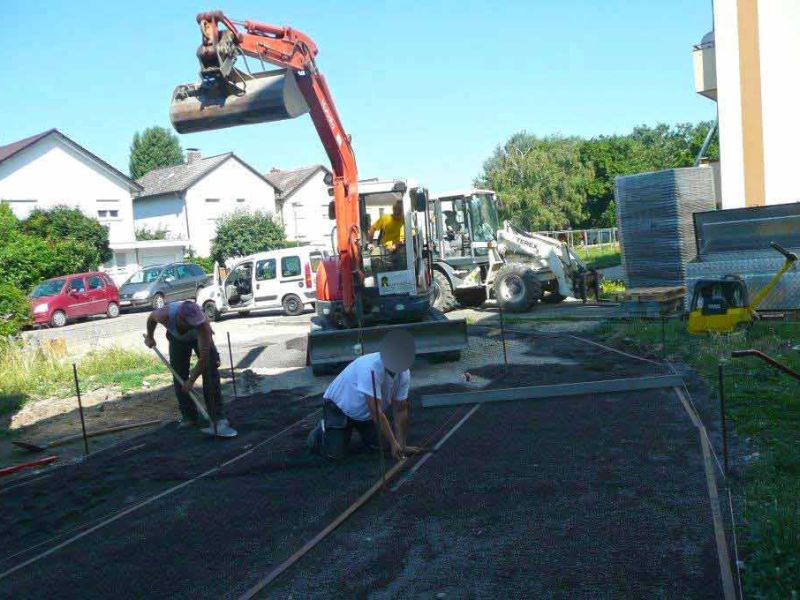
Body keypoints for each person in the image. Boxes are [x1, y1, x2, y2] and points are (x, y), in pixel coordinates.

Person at [307, 330, 422, 461]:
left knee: (384, 446)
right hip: (338, 407)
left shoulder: (403, 373)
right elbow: (376, 412)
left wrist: (401, 444)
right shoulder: (371, 368)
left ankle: (358, 430)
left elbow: (401, 408)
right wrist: (393, 442)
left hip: (365, 414)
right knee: (334, 455)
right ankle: (320, 432)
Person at [143, 300, 237, 437]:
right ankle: (189, 417)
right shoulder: (165, 314)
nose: (195, 326)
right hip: (177, 339)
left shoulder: (203, 325)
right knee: (179, 376)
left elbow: (203, 360)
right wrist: (150, 337)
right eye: (191, 323)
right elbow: (151, 318)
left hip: (200, 339)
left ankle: (217, 417)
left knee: (210, 371)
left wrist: (192, 380)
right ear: (181, 319)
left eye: (196, 323)